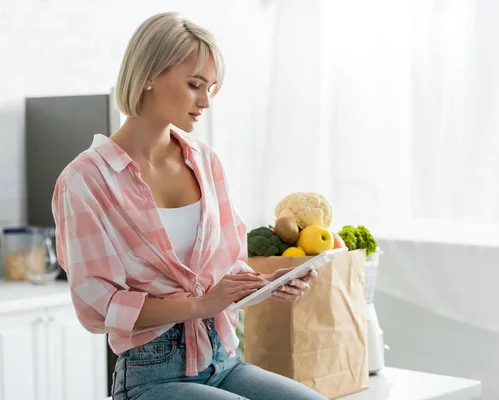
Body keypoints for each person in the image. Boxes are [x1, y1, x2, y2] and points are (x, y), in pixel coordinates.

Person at [51, 12, 326, 400]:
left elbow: (228, 267)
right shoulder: (85, 181)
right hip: (151, 374)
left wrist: (270, 283)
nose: (205, 101)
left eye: (211, 87)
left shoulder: (205, 160)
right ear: (149, 74)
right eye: (195, 84)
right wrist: (199, 304)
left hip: (223, 360)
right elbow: (98, 308)